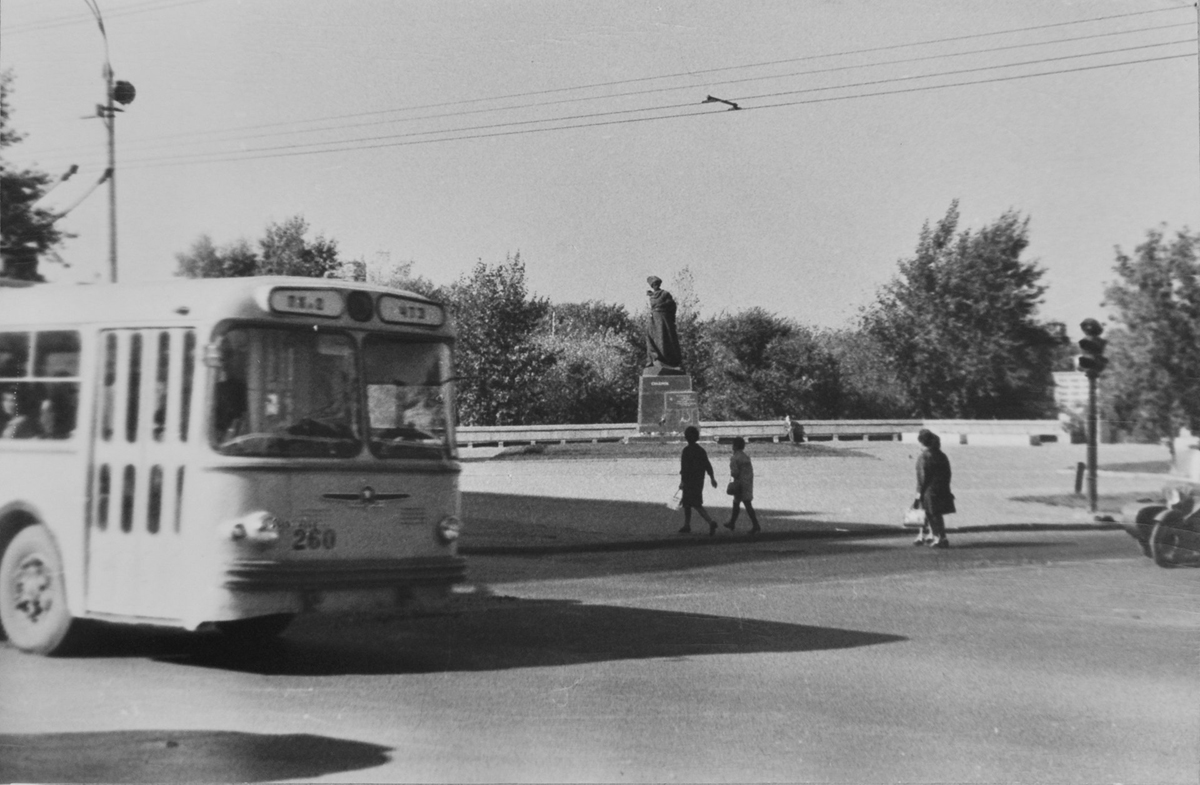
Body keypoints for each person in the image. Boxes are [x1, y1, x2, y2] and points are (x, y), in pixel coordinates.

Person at [914, 428, 955, 548]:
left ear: (921, 443)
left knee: (932, 514)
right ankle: (941, 536)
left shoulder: (924, 456)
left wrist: (918, 494)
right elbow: (948, 473)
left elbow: (922, 477)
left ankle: (938, 538)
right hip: (941, 487)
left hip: (929, 490)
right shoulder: (942, 455)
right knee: (937, 514)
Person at [678, 425, 719, 535]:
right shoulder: (701, 450)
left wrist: (682, 482)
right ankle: (687, 525)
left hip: (688, 481)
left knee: (690, 504)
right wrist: (712, 478)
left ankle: (710, 522)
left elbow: (684, 469)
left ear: (686, 437)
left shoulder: (686, 451)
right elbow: (707, 465)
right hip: (698, 481)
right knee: (693, 503)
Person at [723, 437, 761, 535]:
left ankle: (755, 525)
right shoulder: (746, 457)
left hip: (739, 483)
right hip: (747, 482)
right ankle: (732, 522)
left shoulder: (734, 458)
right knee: (738, 502)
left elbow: (734, 473)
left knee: (744, 503)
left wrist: (732, 479)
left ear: (734, 446)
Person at [645, 276, 683, 370]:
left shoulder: (665, 294)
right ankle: (655, 358)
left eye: (657, 283)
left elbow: (672, 305)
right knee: (651, 337)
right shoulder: (652, 296)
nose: (656, 285)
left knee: (666, 338)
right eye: (653, 284)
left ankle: (669, 361)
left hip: (664, 318)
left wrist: (670, 317)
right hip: (654, 319)